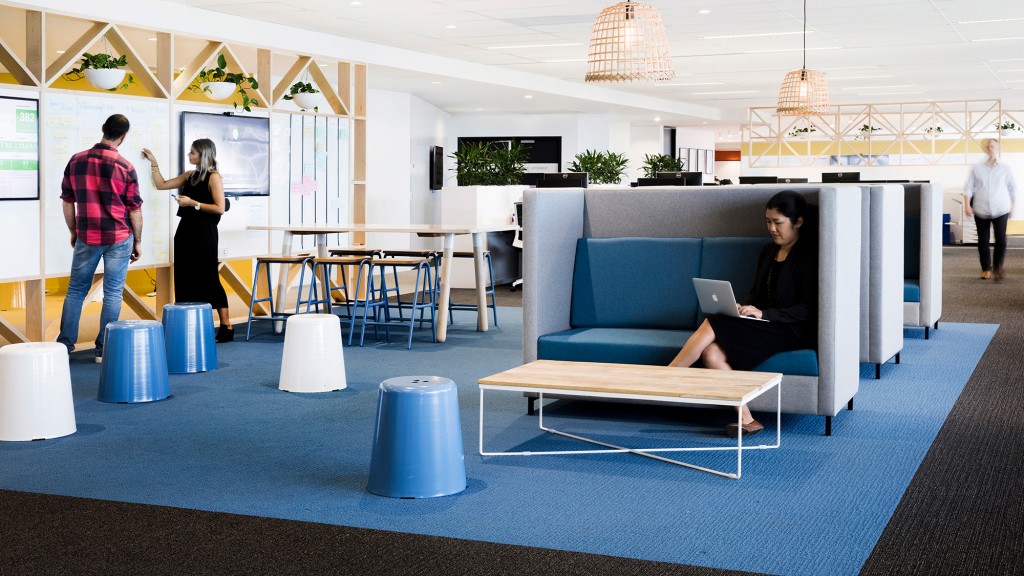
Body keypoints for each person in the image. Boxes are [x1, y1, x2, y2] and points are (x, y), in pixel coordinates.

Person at [668, 191, 818, 437]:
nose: (772, 228)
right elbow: (756, 293)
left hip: (790, 329)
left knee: (713, 322)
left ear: (798, 222)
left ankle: (669, 376)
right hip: (764, 324)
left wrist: (764, 313)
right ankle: (747, 419)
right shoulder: (767, 252)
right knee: (711, 352)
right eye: (768, 221)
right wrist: (742, 307)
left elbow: (808, 309)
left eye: (778, 223)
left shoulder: (808, 257)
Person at [57, 114, 143, 363]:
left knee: (75, 292)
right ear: (124, 136)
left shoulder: (77, 160)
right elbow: (134, 209)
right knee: (113, 293)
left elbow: (67, 201)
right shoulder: (126, 167)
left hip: (88, 234)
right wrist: (137, 240)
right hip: (119, 236)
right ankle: (103, 350)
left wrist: (74, 231)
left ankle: (64, 346)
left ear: (103, 129)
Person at [141, 139, 233, 342]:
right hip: (185, 231)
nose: (188, 155)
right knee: (184, 276)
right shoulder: (190, 175)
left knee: (208, 277)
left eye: (192, 153)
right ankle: (191, 323)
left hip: (205, 233)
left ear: (203, 154)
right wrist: (154, 163)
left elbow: (219, 208)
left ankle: (226, 326)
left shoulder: (214, 177)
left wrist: (193, 203)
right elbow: (161, 184)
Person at [965, 138, 1017, 282]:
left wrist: (1012, 206)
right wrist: (966, 205)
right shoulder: (977, 168)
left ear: (998, 148)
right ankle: (986, 269)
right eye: (988, 146)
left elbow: (1012, 188)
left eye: (993, 146)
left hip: (1001, 208)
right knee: (983, 240)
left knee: (1001, 240)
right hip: (981, 209)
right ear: (985, 149)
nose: (990, 148)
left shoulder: (1005, 168)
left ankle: (998, 267)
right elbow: (969, 187)